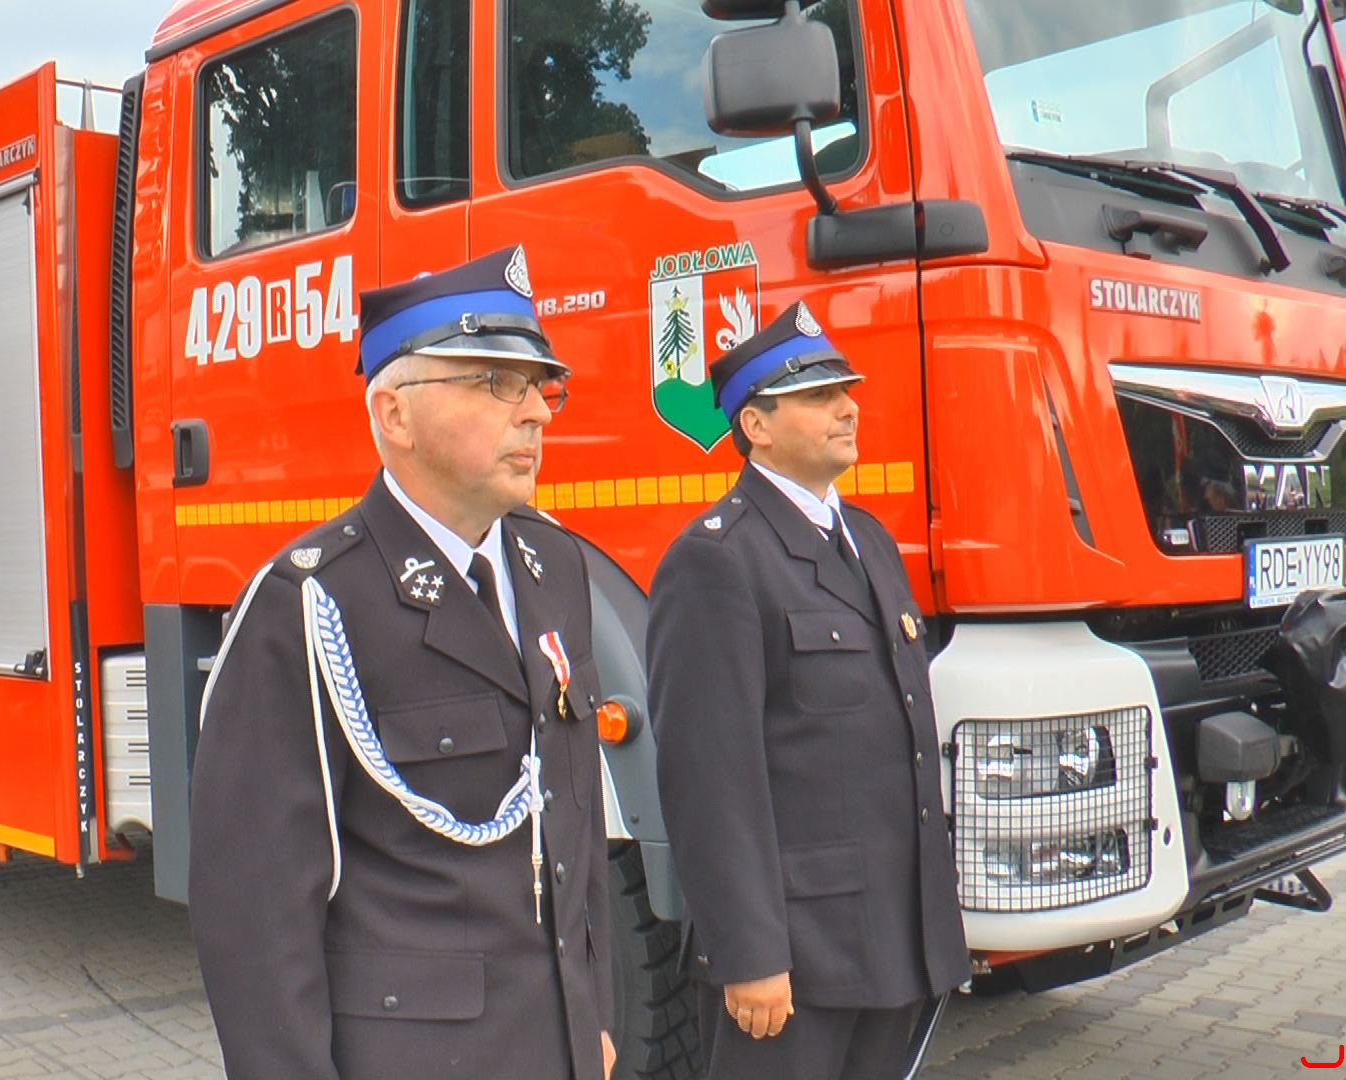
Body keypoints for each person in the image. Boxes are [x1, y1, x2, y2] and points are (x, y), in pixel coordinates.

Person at [189, 247, 616, 1080]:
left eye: (540, 387)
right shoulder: (311, 601)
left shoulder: (554, 565)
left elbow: (574, 828)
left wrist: (590, 1013)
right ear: (394, 414)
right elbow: (257, 915)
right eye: (497, 383)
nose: (537, 413)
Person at [646, 301, 968, 1079]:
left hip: (896, 937)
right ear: (756, 425)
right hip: (797, 958)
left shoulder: (871, 541)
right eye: (819, 396)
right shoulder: (718, 560)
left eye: (845, 391)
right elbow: (710, 783)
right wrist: (749, 953)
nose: (847, 408)